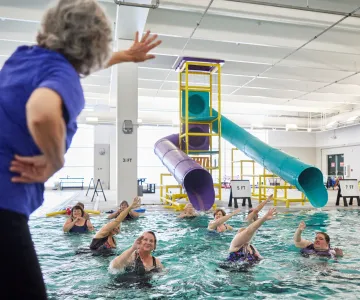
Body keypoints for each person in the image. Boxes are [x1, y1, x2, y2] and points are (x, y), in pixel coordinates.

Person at [0, 0, 161, 298]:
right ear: (95, 44)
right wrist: (54, 160)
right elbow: (42, 112)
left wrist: (125, 56)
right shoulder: (64, 78)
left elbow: (68, 66)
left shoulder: (24, 58)